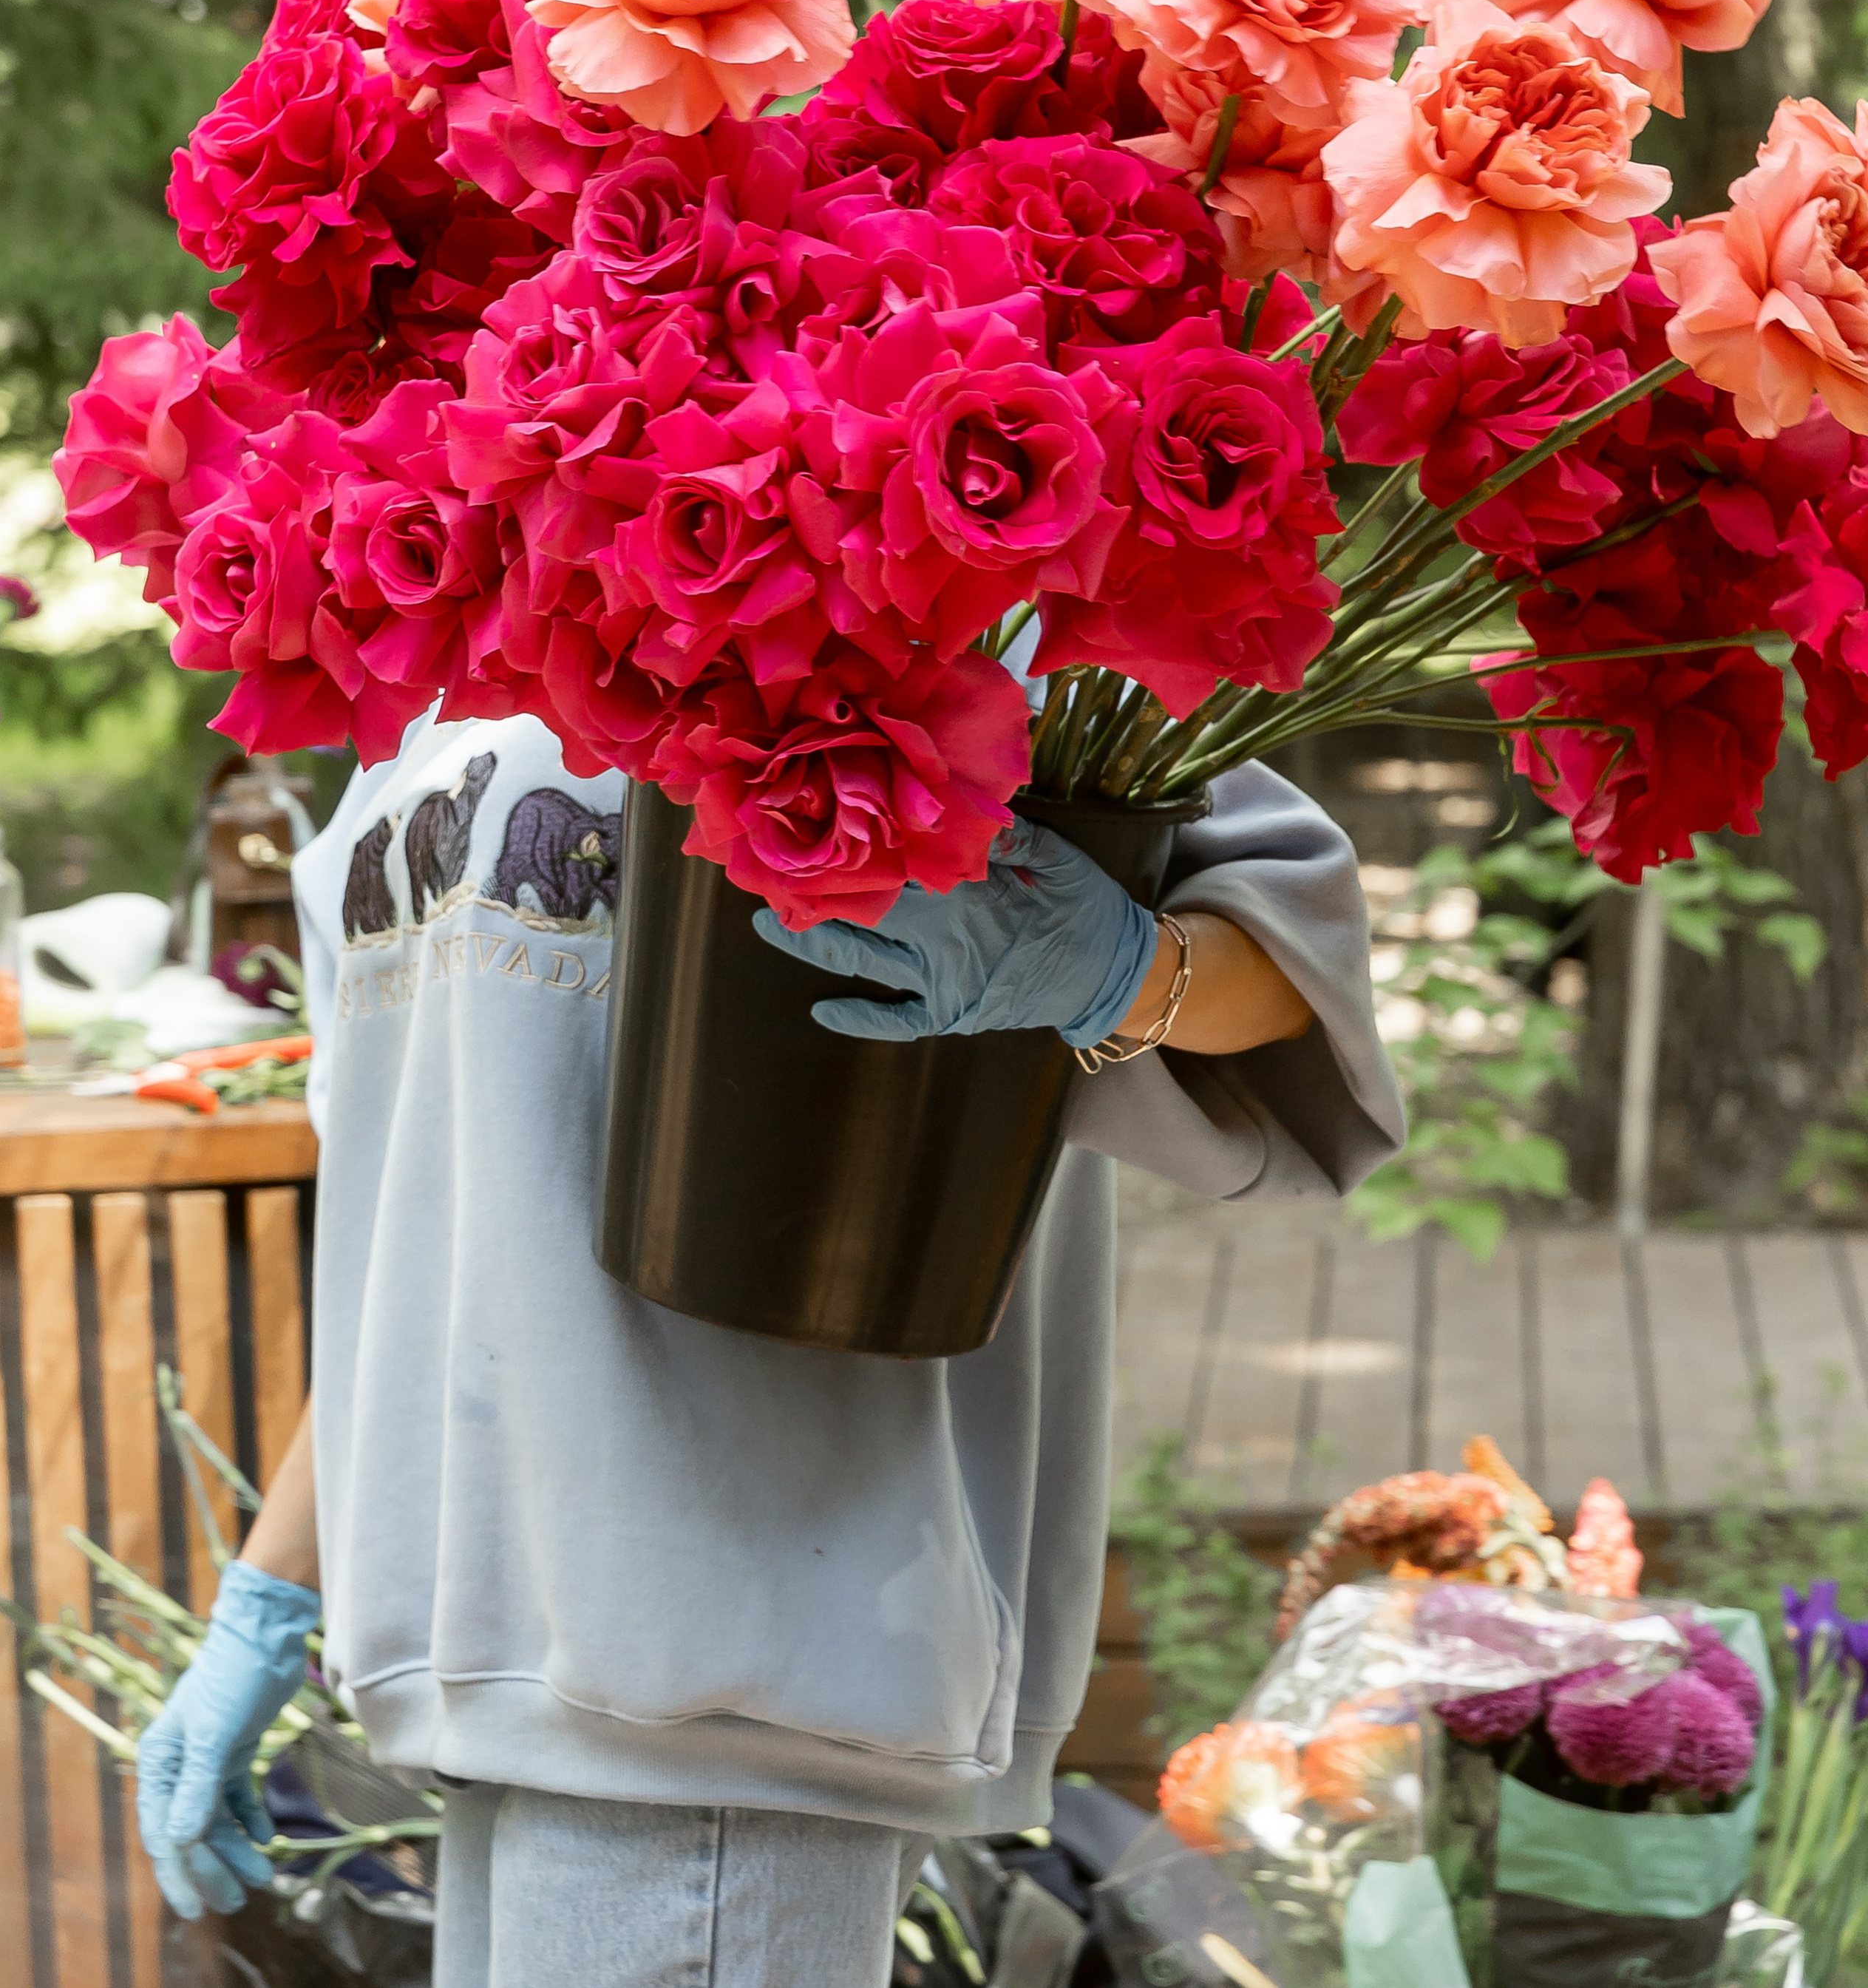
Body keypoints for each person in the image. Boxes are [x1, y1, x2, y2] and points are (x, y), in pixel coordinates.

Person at [135, 707, 1402, 1985]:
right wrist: (273, 1595)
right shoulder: (411, 693)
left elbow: (1295, 961)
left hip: (739, 1659)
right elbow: (432, 1229)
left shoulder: (892, 555)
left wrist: (1122, 967)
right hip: (498, 1684)